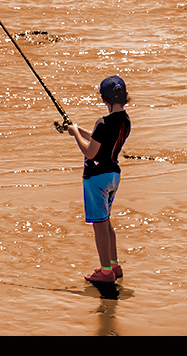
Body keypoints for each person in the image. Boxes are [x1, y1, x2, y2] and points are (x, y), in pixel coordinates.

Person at [64, 75, 132, 285]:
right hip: (113, 175)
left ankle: (105, 272)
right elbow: (98, 139)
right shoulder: (125, 121)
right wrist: (77, 128)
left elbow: (91, 152)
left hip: (97, 178)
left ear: (104, 99)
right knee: (106, 221)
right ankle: (113, 265)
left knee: (99, 225)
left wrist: (76, 135)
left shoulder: (103, 123)